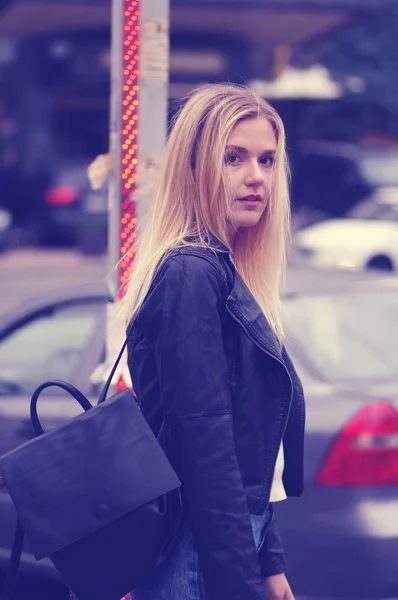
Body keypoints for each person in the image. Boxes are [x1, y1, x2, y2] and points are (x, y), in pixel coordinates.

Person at [120, 83, 306, 600]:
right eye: (234, 158)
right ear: (195, 167)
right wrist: (240, 581)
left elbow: (247, 449)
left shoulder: (225, 270)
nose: (256, 178)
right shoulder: (191, 272)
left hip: (227, 542)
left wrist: (269, 561)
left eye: (267, 160)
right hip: (198, 551)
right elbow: (205, 447)